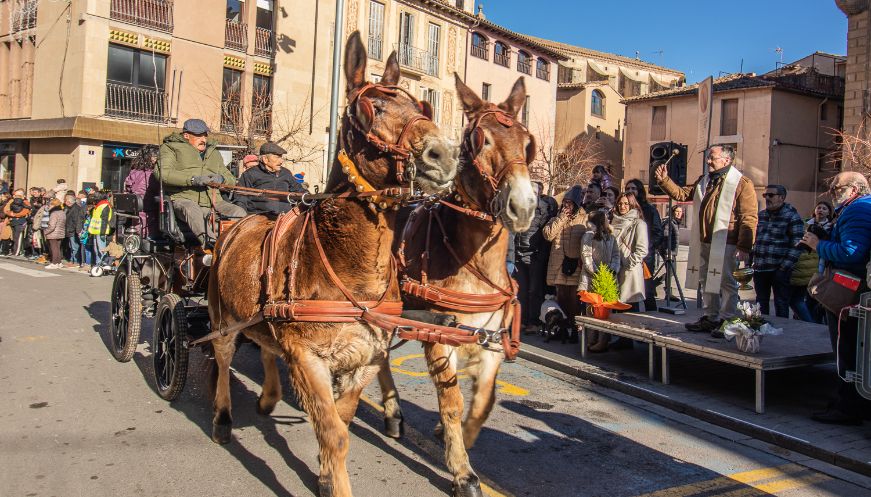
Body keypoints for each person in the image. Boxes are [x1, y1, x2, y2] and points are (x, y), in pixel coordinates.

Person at [655, 145, 757, 334]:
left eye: (712, 158)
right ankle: (711, 317)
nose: (708, 161)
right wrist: (665, 181)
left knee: (726, 282)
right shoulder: (705, 180)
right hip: (704, 240)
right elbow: (683, 194)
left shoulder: (742, 183)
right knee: (707, 280)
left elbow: (749, 217)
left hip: (727, 240)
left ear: (726, 160)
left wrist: (744, 245)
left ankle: (728, 320)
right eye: (708, 157)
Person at [801, 172, 871, 425]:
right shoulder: (858, 207)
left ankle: (849, 406)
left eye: (836, 187)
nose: (831, 192)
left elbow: (851, 252)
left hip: (850, 291)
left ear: (853, 189)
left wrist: (818, 245)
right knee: (854, 348)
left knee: (846, 348)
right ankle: (853, 402)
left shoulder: (858, 210)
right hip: (856, 292)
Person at [155, 119, 245, 246]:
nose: (203, 139)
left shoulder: (214, 153)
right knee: (191, 208)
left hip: (214, 202)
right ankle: (212, 245)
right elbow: (163, 174)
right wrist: (192, 179)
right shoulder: (170, 148)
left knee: (239, 213)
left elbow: (231, 179)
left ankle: (235, 246)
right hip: (183, 198)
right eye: (198, 135)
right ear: (186, 135)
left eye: (205, 135)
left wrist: (222, 179)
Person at [542, 186, 588, 343]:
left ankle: (575, 329)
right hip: (559, 264)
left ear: (576, 204)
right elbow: (548, 235)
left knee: (574, 300)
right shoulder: (556, 218)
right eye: (565, 203)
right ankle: (563, 328)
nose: (566, 206)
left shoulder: (584, 218)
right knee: (561, 298)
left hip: (575, 264)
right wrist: (561, 219)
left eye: (570, 203)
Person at [752, 185, 804, 318]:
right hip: (760, 268)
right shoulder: (761, 215)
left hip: (779, 269)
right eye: (765, 195)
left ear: (781, 197)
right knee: (760, 302)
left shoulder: (792, 216)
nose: (767, 198)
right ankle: (761, 329)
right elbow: (755, 240)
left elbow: (797, 245)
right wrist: (750, 261)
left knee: (781, 303)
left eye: (771, 195)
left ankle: (782, 331)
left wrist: (783, 268)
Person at [513, 180, 558, 332]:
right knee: (522, 291)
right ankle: (523, 321)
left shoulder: (543, 210)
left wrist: (541, 257)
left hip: (535, 256)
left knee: (534, 291)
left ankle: (535, 322)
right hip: (519, 254)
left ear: (538, 193)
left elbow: (546, 237)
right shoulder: (519, 208)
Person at [578, 210, 621, 352]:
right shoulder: (588, 237)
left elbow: (616, 254)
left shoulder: (610, 237)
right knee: (591, 310)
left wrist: (613, 269)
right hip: (592, 278)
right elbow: (586, 256)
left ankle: (603, 340)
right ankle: (591, 339)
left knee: (605, 311)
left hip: (607, 278)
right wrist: (596, 271)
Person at [235, 142, 307, 215]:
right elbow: (241, 198)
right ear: (265, 159)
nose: (281, 161)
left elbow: (299, 190)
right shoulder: (250, 174)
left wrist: (310, 197)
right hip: (259, 217)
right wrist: (243, 218)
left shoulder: (286, 173)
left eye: (281, 157)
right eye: (277, 157)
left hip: (285, 217)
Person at [625, 179, 663, 311]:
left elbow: (658, 232)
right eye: (628, 188)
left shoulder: (650, 210)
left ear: (639, 191)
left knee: (647, 290)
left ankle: (651, 317)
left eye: (633, 188)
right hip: (628, 255)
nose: (630, 191)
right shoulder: (624, 209)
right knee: (629, 290)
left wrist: (647, 247)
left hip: (645, 257)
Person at [124, 145, 161, 237]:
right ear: (150, 157)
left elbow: (128, 190)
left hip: (136, 214)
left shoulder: (134, 171)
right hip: (148, 215)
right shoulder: (151, 174)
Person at [4, 189, 30, 256]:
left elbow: (25, 211)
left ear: (23, 195)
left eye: (19, 195)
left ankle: (16, 252)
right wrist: (11, 213)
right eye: (15, 195)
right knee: (14, 237)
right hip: (12, 221)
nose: (16, 196)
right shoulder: (12, 201)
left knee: (17, 237)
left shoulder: (25, 202)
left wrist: (15, 215)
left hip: (20, 221)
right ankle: (14, 250)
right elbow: (6, 210)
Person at [63, 193, 87, 267]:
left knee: (74, 246)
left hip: (73, 230)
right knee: (72, 246)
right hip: (70, 229)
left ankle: (75, 261)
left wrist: (76, 230)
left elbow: (76, 220)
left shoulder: (75, 208)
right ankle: (73, 260)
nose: (64, 202)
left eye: (65, 200)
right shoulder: (70, 208)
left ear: (69, 202)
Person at [43, 198, 66, 269]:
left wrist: (45, 232)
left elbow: (52, 226)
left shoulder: (54, 213)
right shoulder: (62, 212)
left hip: (53, 233)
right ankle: (59, 262)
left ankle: (54, 263)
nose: (49, 206)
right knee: (58, 248)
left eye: (50, 204)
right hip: (61, 232)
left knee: (54, 249)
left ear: (53, 205)